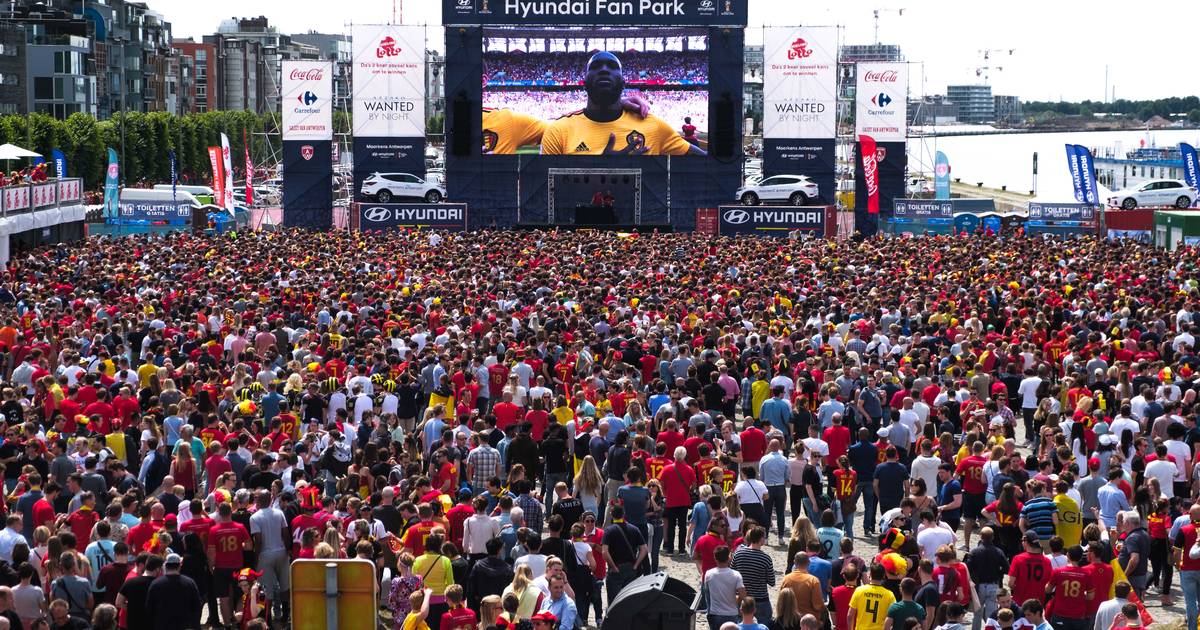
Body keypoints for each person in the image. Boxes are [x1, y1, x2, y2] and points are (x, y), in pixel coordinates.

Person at [540, 51, 706, 156]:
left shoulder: (654, 126)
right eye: (596, 66)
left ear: (623, 83)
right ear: (584, 83)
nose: (604, 69)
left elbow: (709, 165)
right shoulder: (558, 131)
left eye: (612, 66)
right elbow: (544, 194)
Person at [146, 553, 202, 629]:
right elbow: (197, 606)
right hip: (184, 626)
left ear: (165, 565)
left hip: (162, 625)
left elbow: (149, 608)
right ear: (180, 565)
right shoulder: (190, 583)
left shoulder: (155, 584)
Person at [847, 563, 897, 630]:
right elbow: (894, 616)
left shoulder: (859, 590)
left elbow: (850, 615)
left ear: (870, 574)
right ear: (883, 576)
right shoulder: (889, 595)